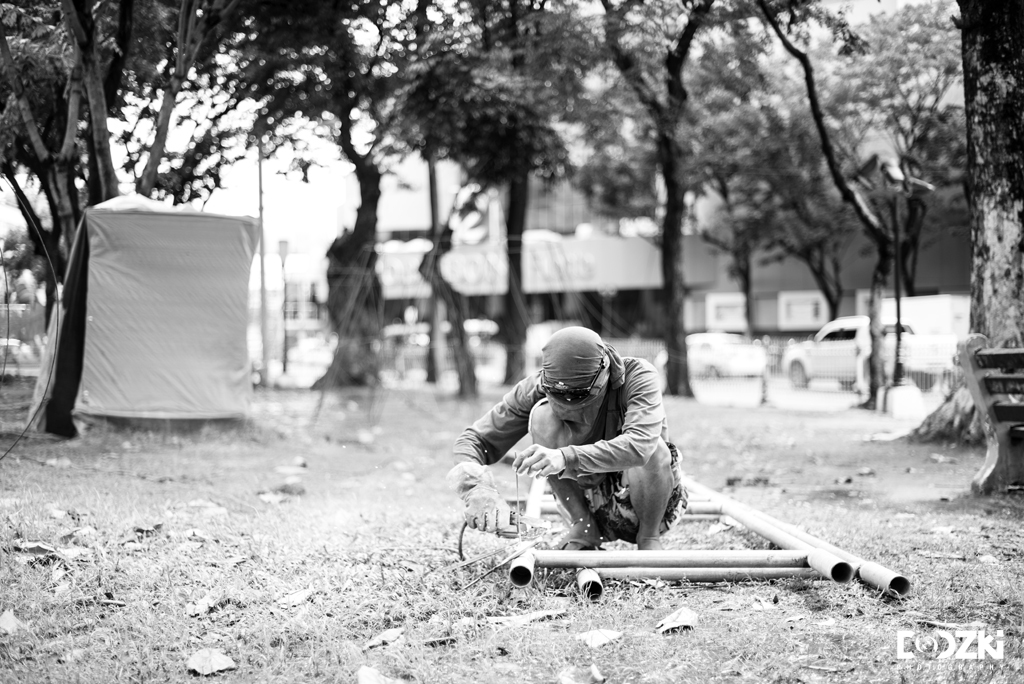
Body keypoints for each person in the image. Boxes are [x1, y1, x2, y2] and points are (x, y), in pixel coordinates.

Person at [446, 326, 686, 551]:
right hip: (591, 500)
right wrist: (477, 489)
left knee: (654, 447)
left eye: (581, 397)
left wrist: (565, 457)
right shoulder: (535, 388)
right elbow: (474, 439)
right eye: (559, 396)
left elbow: (640, 447)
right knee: (541, 415)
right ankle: (584, 526)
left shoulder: (638, 378)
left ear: (605, 373)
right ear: (546, 382)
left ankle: (649, 538)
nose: (573, 410)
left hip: (652, 501)